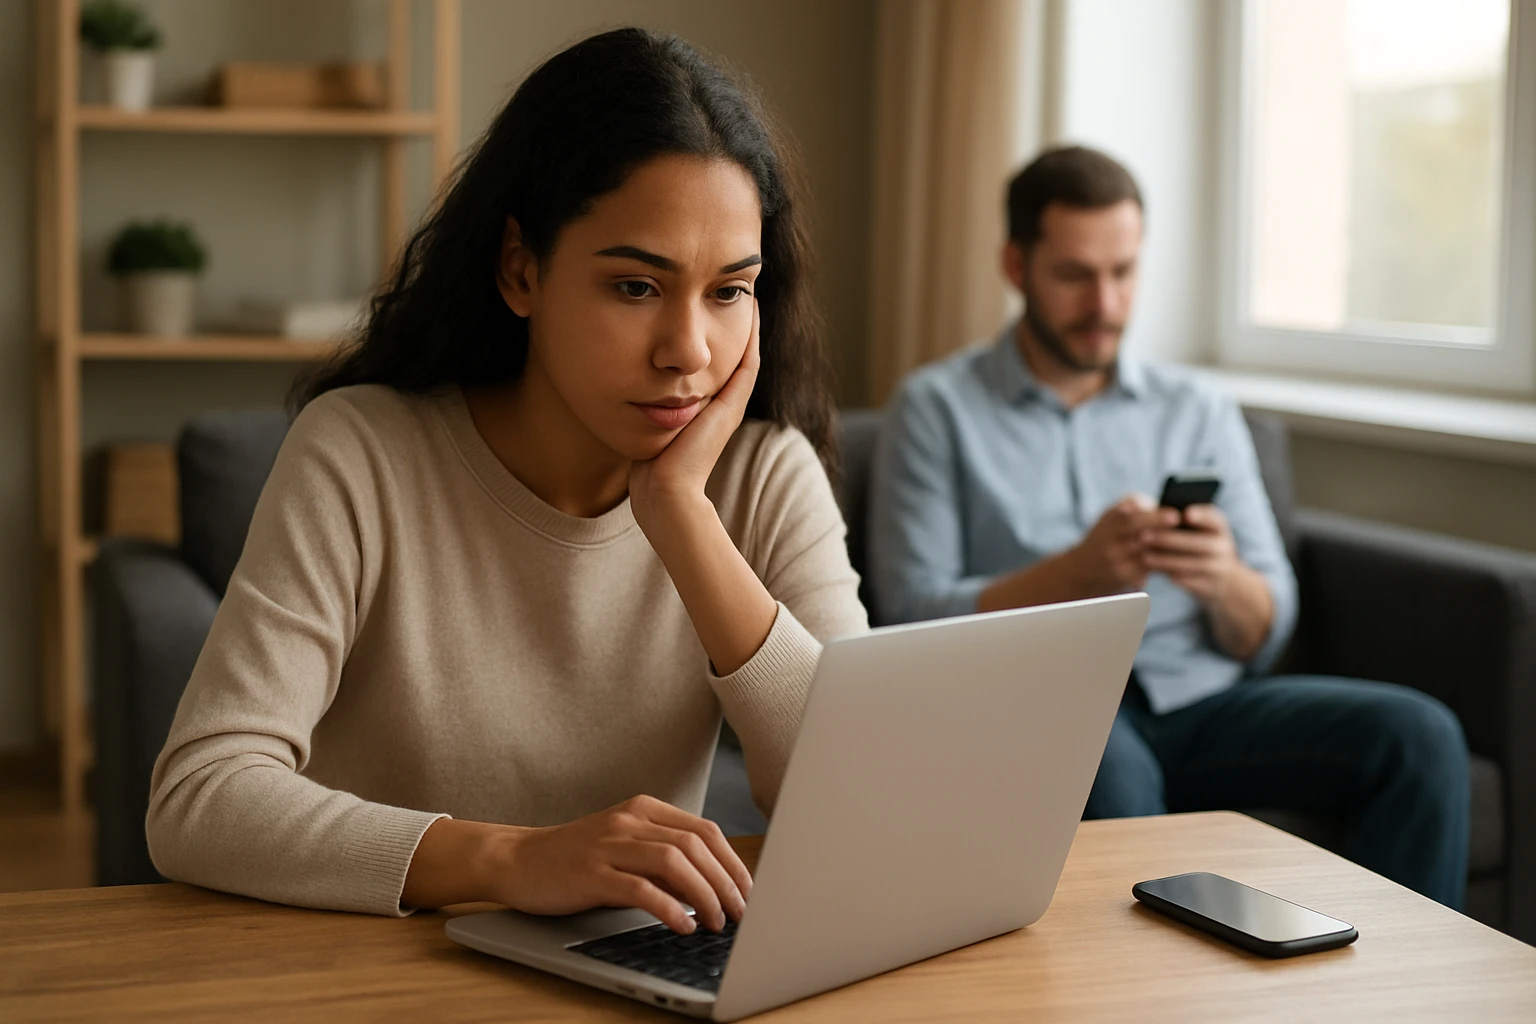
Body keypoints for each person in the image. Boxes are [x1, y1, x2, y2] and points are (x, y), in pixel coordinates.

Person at [146, 28, 867, 934]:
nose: (690, 350)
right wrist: (512, 858)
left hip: (633, 974)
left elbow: (858, 797)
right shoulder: (361, 454)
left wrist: (680, 514)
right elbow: (200, 798)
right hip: (375, 972)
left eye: (729, 291)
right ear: (520, 268)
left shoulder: (763, 476)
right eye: (637, 287)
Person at [868, 145, 1470, 908]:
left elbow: (1267, 623)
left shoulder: (1199, 407)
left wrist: (1224, 582)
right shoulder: (935, 409)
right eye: (1076, 275)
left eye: (1123, 272)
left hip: (1206, 703)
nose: (1107, 303)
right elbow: (909, 617)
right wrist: (1074, 576)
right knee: (1110, 770)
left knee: (1419, 737)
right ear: (1016, 267)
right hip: (1057, 706)